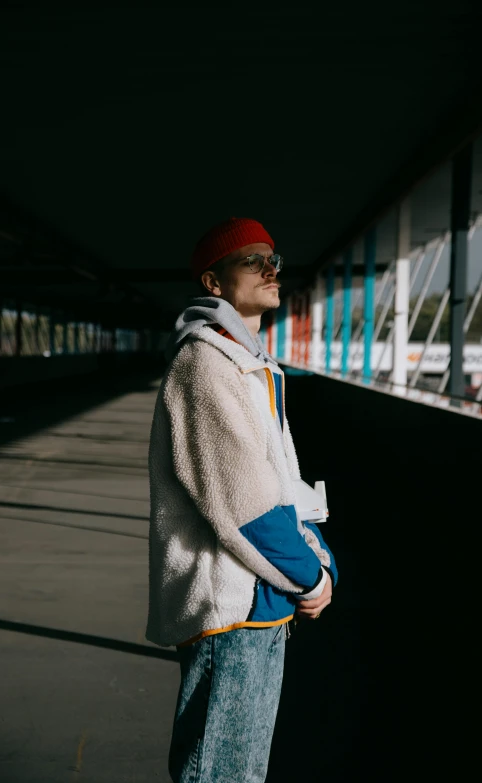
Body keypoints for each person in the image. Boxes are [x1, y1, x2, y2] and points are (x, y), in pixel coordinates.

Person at [146, 217, 338, 783]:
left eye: (274, 259)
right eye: (253, 261)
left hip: (261, 603)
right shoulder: (206, 366)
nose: (271, 269)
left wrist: (319, 559)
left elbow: (286, 487)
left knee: (240, 773)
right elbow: (249, 510)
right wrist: (312, 577)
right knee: (222, 774)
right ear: (213, 282)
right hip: (231, 610)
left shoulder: (252, 366)